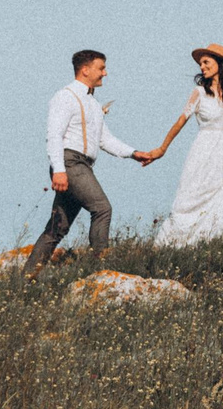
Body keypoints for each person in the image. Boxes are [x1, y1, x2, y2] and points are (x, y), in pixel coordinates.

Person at [28, 49, 155, 268]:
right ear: (85, 70)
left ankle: (26, 278)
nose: (105, 73)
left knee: (57, 227)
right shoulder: (65, 96)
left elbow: (105, 140)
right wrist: (59, 169)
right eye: (101, 68)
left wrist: (134, 153)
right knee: (102, 208)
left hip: (81, 165)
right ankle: (102, 268)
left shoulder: (94, 104)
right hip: (70, 163)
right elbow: (54, 135)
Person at [144, 43, 223, 246]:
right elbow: (180, 121)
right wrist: (162, 148)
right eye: (201, 63)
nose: (202, 66)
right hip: (205, 149)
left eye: (206, 62)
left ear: (220, 64)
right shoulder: (199, 92)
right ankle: (179, 244)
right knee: (193, 196)